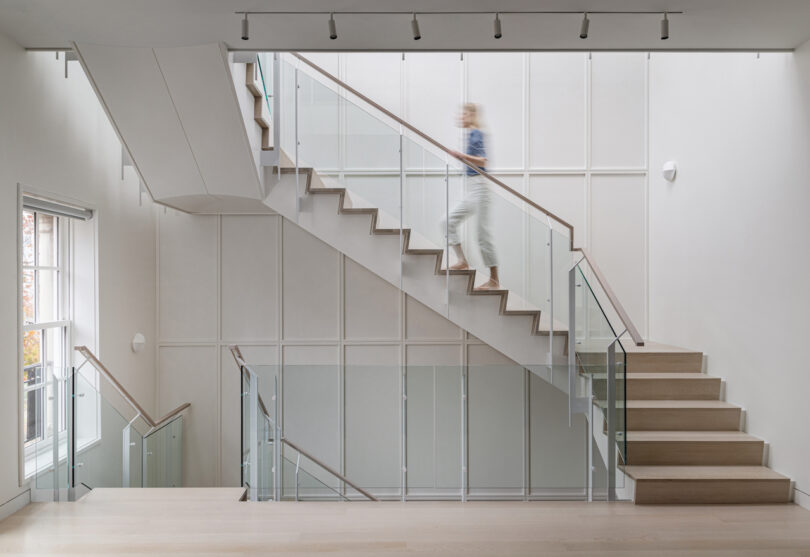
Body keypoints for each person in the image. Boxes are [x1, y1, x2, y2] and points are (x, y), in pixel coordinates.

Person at [443, 103, 499, 290]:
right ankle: (462, 260)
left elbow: (483, 161)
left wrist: (462, 156)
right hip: (472, 187)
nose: (460, 117)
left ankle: (494, 281)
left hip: (480, 187)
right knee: (447, 221)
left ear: (472, 116)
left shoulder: (476, 133)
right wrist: (463, 156)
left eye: (464, 114)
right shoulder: (470, 134)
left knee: (482, 235)